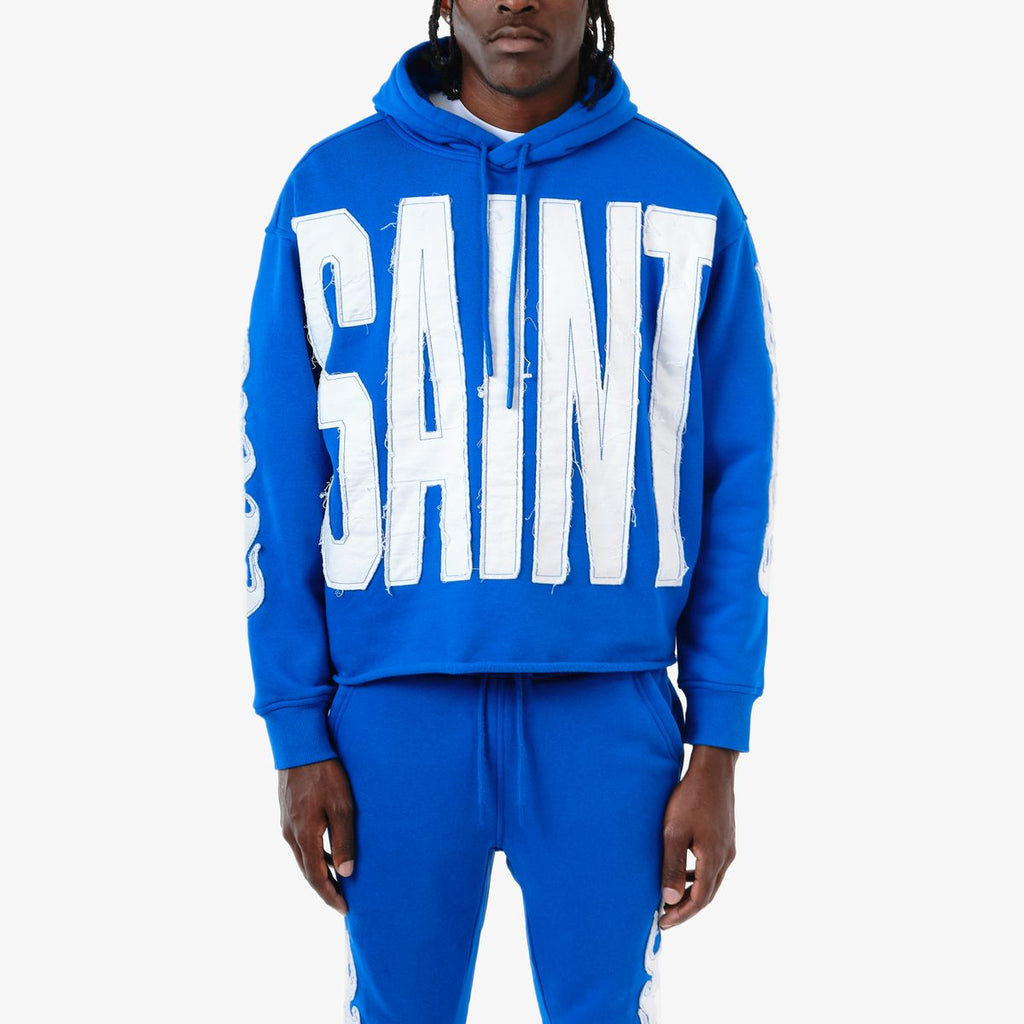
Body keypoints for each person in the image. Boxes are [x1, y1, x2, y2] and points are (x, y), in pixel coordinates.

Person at [241, 1, 778, 1020]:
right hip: (391, 717)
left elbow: (735, 483)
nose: (516, 0)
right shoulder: (330, 189)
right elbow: (277, 473)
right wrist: (296, 731)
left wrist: (718, 746)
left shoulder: (686, 195)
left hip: (608, 714)